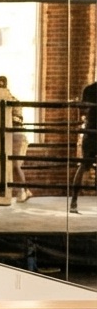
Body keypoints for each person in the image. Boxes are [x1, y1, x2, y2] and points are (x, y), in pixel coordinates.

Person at [0, 75, 29, 203]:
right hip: (2, 134)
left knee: (14, 164)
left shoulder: (12, 100)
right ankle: (19, 191)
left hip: (15, 133)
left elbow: (14, 119)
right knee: (1, 162)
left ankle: (24, 190)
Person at [71, 80, 97, 212]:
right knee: (83, 165)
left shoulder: (89, 89)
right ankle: (73, 201)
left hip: (90, 130)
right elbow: (83, 109)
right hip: (91, 131)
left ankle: (73, 202)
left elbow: (82, 110)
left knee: (83, 165)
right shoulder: (89, 89)